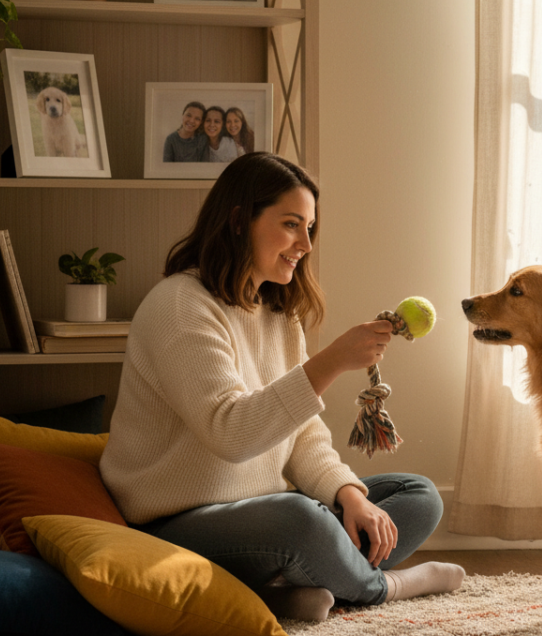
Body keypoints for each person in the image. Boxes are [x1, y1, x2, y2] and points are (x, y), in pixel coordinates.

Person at [99, 153, 464, 623]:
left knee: (417, 494)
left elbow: (301, 435)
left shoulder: (277, 314)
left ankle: (285, 590)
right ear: (238, 220)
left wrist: (349, 495)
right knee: (299, 518)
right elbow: (232, 434)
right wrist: (330, 362)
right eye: (292, 225)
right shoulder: (179, 307)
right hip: (172, 525)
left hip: (260, 516)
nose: (305, 244)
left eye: (309, 228)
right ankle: (380, 587)